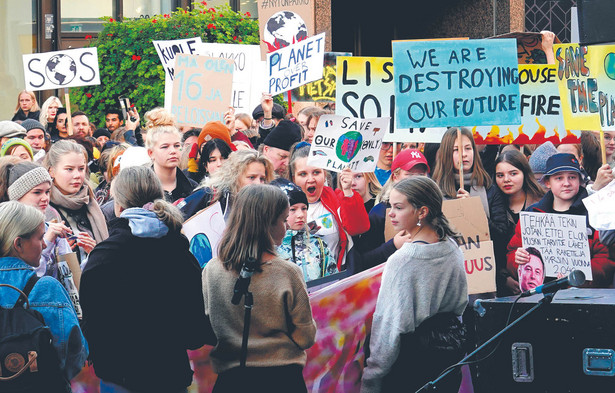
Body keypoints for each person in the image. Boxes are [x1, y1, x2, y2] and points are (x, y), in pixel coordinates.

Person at [79, 166, 209, 393]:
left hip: (119, 377)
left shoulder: (104, 256)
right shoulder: (178, 250)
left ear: (117, 205)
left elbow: (92, 325)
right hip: (170, 373)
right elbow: (195, 326)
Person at [202, 184, 317, 392]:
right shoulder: (287, 273)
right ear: (267, 225)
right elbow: (305, 337)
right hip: (281, 380)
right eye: (283, 220)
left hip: (230, 380)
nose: (287, 227)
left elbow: (210, 327)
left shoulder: (212, 270)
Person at [361, 177, 468, 393]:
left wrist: (371, 378)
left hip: (409, 369)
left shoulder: (402, 261)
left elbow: (389, 328)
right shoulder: (451, 246)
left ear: (422, 212)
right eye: (390, 205)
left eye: (399, 207)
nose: (390, 212)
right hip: (447, 365)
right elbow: (460, 303)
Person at [0, 201, 88, 388]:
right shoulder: (45, 288)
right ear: (18, 244)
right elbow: (74, 358)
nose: (44, 244)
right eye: (40, 238)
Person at [507, 153, 615, 287]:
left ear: (579, 180)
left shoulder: (593, 213)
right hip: (540, 296)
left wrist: (579, 275)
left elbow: (606, 260)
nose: (566, 183)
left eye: (572, 177)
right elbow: (511, 254)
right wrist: (517, 260)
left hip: (583, 297)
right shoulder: (532, 214)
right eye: (559, 178)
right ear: (547, 182)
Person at [289, 145, 369, 270]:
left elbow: (359, 228)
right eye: (303, 174)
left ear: (324, 175)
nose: (311, 179)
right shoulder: (283, 205)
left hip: (334, 280)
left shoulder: (336, 199)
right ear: (294, 178)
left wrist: (347, 191)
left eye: (316, 172)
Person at [432, 127, 510, 249]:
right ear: (446, 154)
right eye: (456, 150)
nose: (464, 154)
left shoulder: (490, 188)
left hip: (483, 264)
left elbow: (502, 237)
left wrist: (474, 211)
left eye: (468, 148)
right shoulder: (434, 192)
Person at [356, 149, 431, 271]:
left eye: (421, 175)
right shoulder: (380, 213)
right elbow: (362, 262)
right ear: (395, 177)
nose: (417, 180)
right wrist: (393, 246)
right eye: (410, 175)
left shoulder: (434, 210)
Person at [45, 140, 108, 266]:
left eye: (81, 169)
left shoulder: (90, 201)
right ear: (51, 171)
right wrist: (61, 252)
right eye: (69, 169)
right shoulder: (44, 207)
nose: (77, 175)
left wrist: (95, 252)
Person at [493, 149, 544, 296]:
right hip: (502, 287)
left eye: (513, 173)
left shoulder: (542, 204)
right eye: (500, 175)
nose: (506, 179)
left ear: (524, 173)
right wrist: (504, 278)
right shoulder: (492, 206)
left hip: (537, 287)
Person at [273, 179, 338, 282]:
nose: (300, 215)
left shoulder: (318, 244)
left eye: (304, 208)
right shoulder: (269, 249)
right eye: (292, 209)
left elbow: (332, 283)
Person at [179, 149, 274, 219]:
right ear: (235, 177)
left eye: (262, 179)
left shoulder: (263, 206)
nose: (258, 183)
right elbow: (175, 219)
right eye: (251, 177)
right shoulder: (209, 195)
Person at [147, 123, 197, 203]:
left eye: (177, 146)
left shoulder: (193, 188)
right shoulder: (140, 188)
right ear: (151, 153)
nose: (173, 151)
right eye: (165, 147)